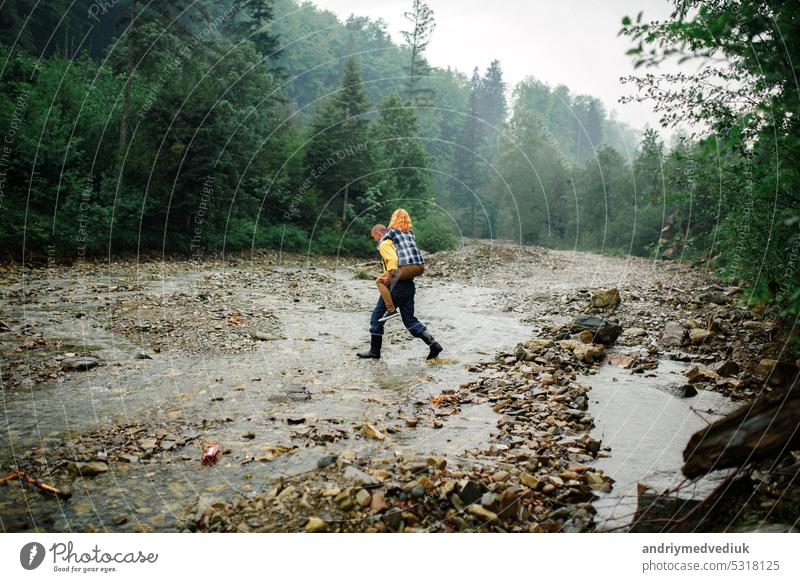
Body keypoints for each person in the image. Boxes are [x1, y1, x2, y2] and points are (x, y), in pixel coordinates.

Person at [357, 223, 443, 360]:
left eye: (374, 237)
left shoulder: (385, 243)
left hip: (397, 285)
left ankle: (374, 351)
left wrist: (389, 277)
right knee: (409, 320)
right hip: (408, 285)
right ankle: (433, 344)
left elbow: (393, 260)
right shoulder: (399, 243)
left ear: (379, 233)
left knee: (376, 317)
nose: (375, 240)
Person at [375, 209, 425, 323]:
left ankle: (391, 310)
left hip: (407, 267)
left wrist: (388, 275)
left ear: (393, 219)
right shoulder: (411, 233)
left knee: (380, 281)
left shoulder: (392, 231)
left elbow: (381, 243)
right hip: (420, 267)